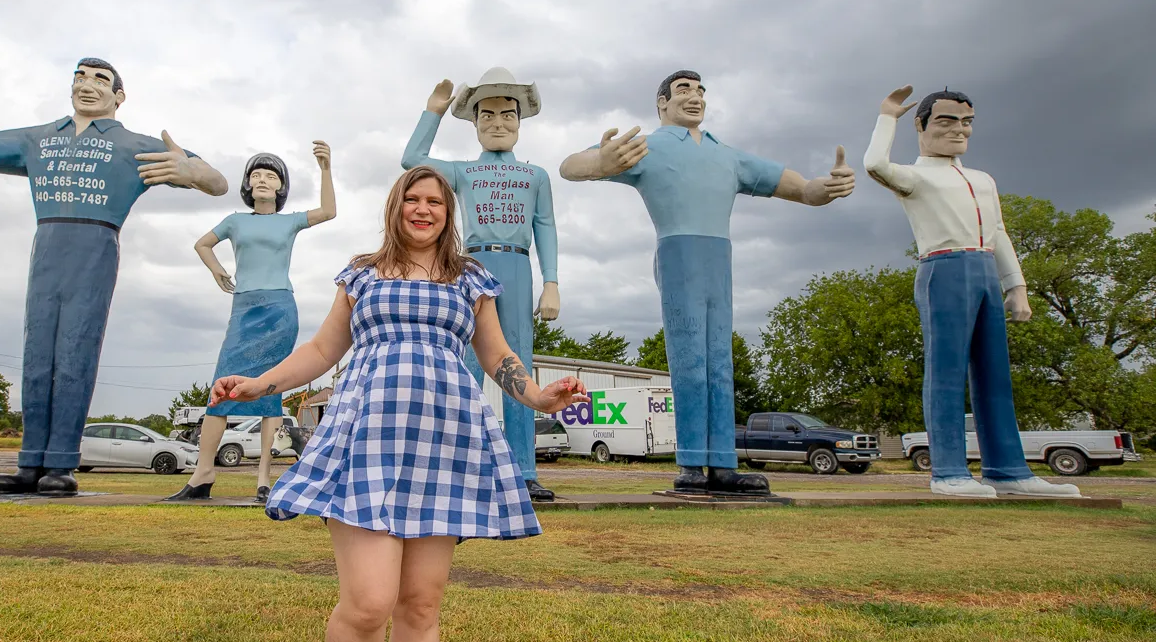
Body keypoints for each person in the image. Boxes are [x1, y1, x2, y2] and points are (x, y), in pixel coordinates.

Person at [208, 166, 588, 642]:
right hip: (367, 440)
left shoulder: (470, 279)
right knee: (368, 602)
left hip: (446, 443)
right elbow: (323, 350)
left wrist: (540, 397)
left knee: (420, 603)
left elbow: (497, 355)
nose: (423, 209)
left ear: (448, 211)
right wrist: (259, 383)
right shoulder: (362, 272)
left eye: (434, 200)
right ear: (395, 206)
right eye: (411, 198)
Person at [0, 58, 227, 496]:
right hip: (47, 246)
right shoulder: (36, 139)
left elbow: (217, 181)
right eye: (79, 76)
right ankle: (29, 463)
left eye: (100, 79)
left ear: (119, 96)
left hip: (96, 245)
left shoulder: (135, 145)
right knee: (37, 354)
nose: (87, 85)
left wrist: (194, 174)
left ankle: (61, 462)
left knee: (76, 351)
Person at [560, 69, 855, 495]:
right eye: (683, 90)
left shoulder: (727, 155)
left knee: (720, 361)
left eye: (700, 90)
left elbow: (797, 187)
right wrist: (602, 163)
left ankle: (723, 464)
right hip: (679, 251)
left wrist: (820, 188)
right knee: (689, 362)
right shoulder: (648, 146)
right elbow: (571, 166)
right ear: (662, 103)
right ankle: (692, 464)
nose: (694, 96)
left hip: (720, 256)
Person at [863, 85, 1080, 497]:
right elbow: (874, 164)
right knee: (945, 374)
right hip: (943, 269)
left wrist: (1016, 285)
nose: (959, 129)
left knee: (995, 375)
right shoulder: (916, 175)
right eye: (946, 121)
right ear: (922, 125)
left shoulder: (982, 179)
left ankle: (1008, 469)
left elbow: (997, 232)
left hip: (984, 269)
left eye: (966, 122)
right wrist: (886, 117)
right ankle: (948, 471)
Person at [401, 68, 562, 501]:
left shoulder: (536, 176)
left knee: (518, 365)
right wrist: (433, 112)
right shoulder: (463, 172)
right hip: (470, 268)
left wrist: (551, 282)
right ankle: (461, 465)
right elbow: (411, 160)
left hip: (516, 266)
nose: (497, 124)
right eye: (486, 116)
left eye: (507, 115)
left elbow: (544, 226)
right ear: (473, 125)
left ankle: (525, 470)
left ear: (521, 122)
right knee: (463, 368)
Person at [166, 141, 337, 503]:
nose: (262, 179)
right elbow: (202, 244)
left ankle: (264, 480)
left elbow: (328, 211)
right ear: (247, 184)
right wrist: (217, 271)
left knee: (269, 389)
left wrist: (324, 168)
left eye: (270, 175)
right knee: (221, 387)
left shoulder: (290, 222)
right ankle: (203, 473)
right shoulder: (234, 221)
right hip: (244, 309)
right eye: (255, 174)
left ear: (280, 187)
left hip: (279, 309)